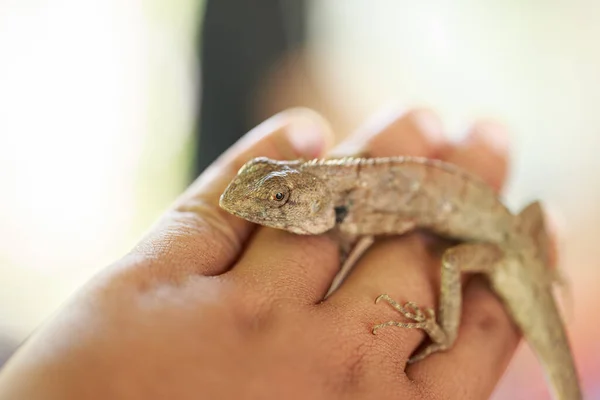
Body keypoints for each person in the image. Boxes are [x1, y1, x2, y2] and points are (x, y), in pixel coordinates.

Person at [0, 106, 534, 399]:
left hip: (499, 248)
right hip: (492, 229)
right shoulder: (347, 199)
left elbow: (413, 226)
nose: (260, 204)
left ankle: (441, 330)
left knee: (442, 258)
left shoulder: (364, 209)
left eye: (278, 198)